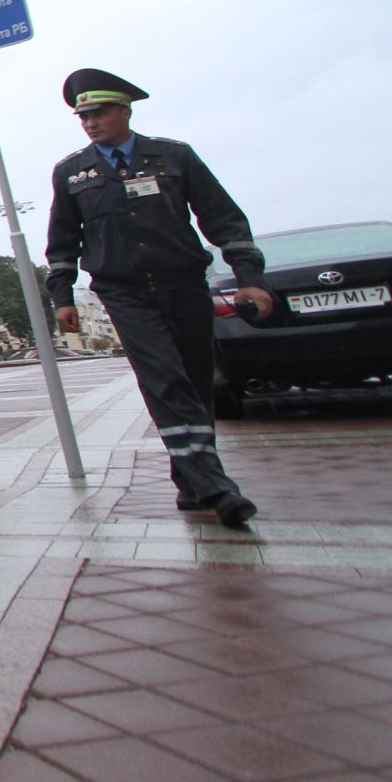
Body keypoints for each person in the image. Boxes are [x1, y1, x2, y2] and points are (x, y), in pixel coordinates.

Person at [45, 69, 272, 529]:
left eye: (99, 113)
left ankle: (189, 481)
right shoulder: (72, 173)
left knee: (194, 378)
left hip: (183, 284)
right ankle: (214, 484)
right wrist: (62, 296)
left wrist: (250, 276)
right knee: (164, 377)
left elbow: (223, 217)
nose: (90, 123)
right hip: (123, 290)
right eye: (83, 116)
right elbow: (63, 240)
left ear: (125, 111)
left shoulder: (174, 157)